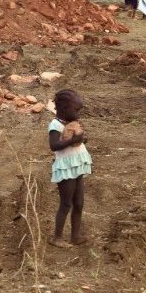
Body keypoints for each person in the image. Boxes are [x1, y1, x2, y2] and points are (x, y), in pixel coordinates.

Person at [48, 90, 92, 248]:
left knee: (79, 203)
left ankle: (75, 236)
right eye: (77, 110)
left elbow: (79, 140)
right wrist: (73, 139)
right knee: (66, 203)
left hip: (77, 165)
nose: (79, 113)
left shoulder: (72, 123)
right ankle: (57, 237)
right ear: (65, 108)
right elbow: (54, 145)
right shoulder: (56, 125)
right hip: (66, 167)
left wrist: (82, 139)